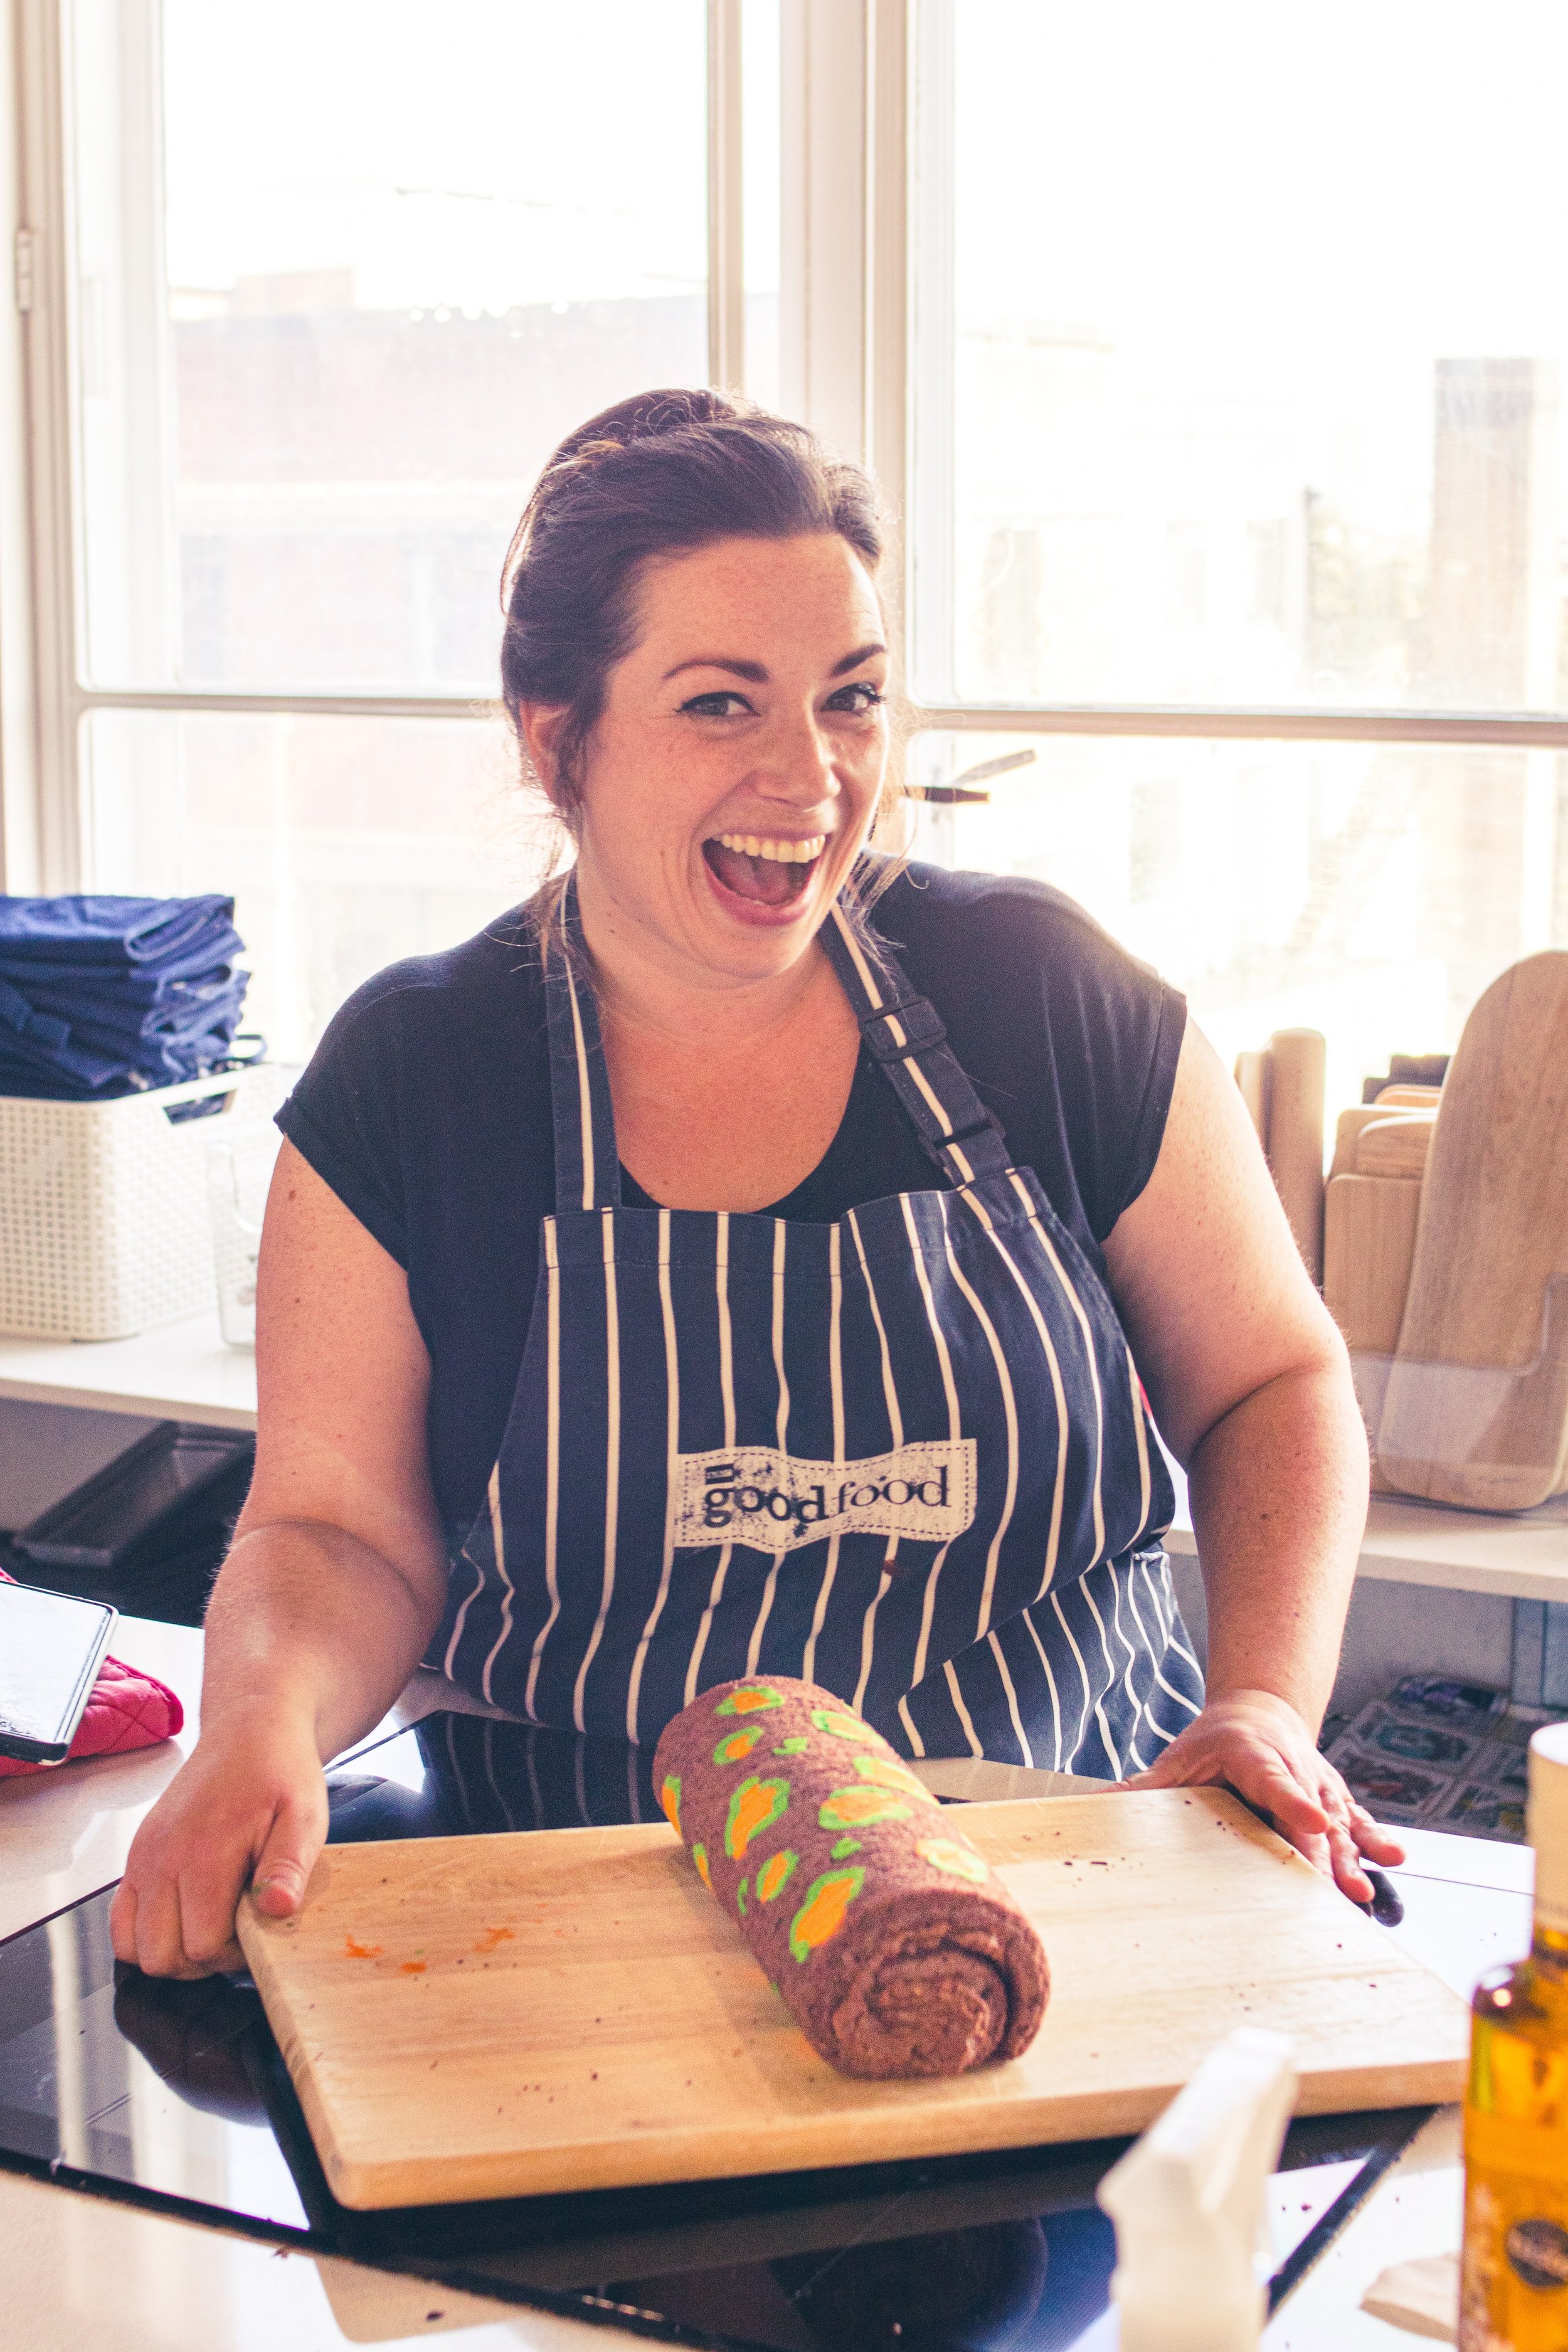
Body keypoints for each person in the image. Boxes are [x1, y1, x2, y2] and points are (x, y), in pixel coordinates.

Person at [111, 389, 1399, 1979]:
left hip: (1076, 1882)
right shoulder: (416, 1076)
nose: (812, 778)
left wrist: (1261, 1699)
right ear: (553, 734)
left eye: (849, 700)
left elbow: (1267, 1377)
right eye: (721, 704)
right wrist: (261, 1721)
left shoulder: (1036, 996)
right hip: (566, 1920)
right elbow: (340, 1533)